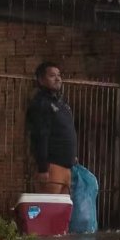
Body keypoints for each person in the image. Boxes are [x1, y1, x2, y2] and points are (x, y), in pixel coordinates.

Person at [26, 61, 78, 194]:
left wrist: (72, 155)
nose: (57, 79)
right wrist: (43, 168)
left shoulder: (61, 104)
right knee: (50, 205)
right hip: (52, 168)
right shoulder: (40, 104)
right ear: (41, 80)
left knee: (63, 207)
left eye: (59, 75)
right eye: (52, 76)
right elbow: (40, 136)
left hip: (67, 168)